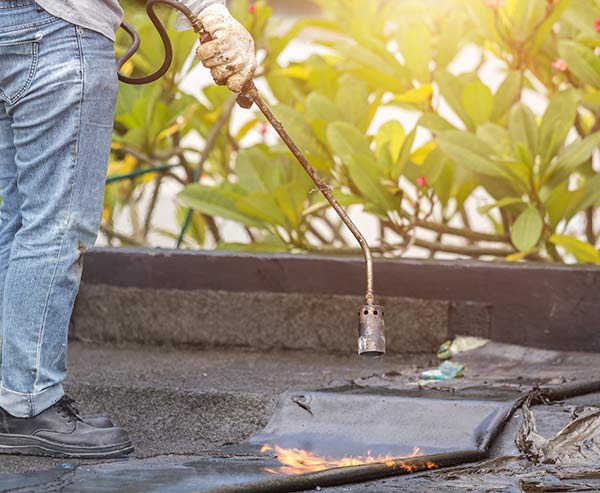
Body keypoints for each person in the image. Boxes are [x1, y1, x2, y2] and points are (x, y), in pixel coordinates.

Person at [0, 0, 255, 458]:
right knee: (55, 226)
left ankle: (8, 394)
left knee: (17, 219)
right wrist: (210, 13)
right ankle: (29, 403)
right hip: (58, 25)